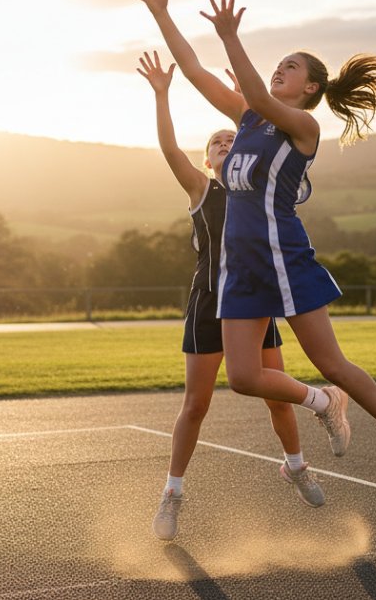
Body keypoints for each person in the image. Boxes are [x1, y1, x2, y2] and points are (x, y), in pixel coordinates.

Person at [131, 0, 376, 493]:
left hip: (284, 259)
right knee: (244, 378)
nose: (279, 69)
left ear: (310, 89)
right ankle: (323, 403)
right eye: (279, 64)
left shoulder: (304, 129)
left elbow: (252, 93)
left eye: (289, 67)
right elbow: (195, 70)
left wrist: (231, 34)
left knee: (332, 363)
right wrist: (161, 12)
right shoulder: (248, 120)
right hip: (241, 271)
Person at [136, 48, 326, 542]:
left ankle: (297, 466)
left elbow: (270, 136)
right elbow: (170, 149)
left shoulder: (256, 185)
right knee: (195, 406)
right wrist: (163, 95)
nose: (224, 141)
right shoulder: (201, 190)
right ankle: (173, 494)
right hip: (209, 304)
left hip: (256, 298)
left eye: (229, 137)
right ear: (209, 159)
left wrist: (248, 101)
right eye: (216, 141)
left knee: (276, 396)